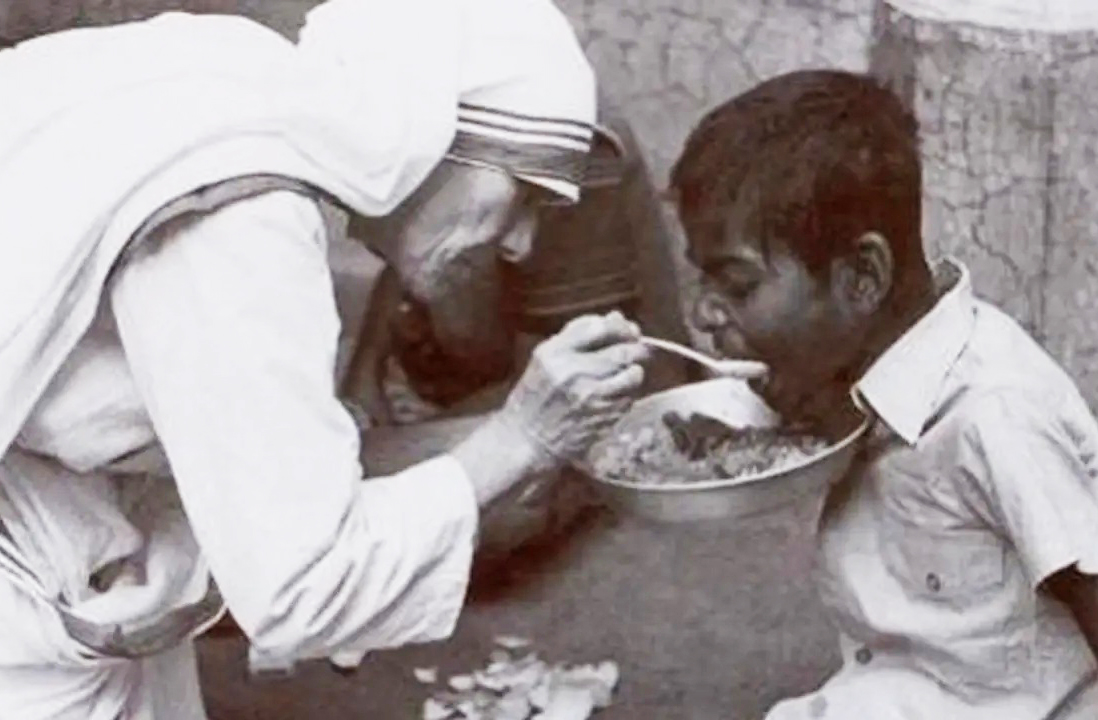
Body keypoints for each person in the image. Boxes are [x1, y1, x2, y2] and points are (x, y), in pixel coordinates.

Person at [0, 1, 652, 718]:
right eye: (521, 196)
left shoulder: (217, 84)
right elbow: (302, 589)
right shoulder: (244, 224)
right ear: (430, 132)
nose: (521, 244)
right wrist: (519, 438)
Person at [668, 69, 1098, 718]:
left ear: (862, 277)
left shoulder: (996, 413)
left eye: (737, 285)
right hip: (894, 691)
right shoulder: (852, 368)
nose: (703, 314)